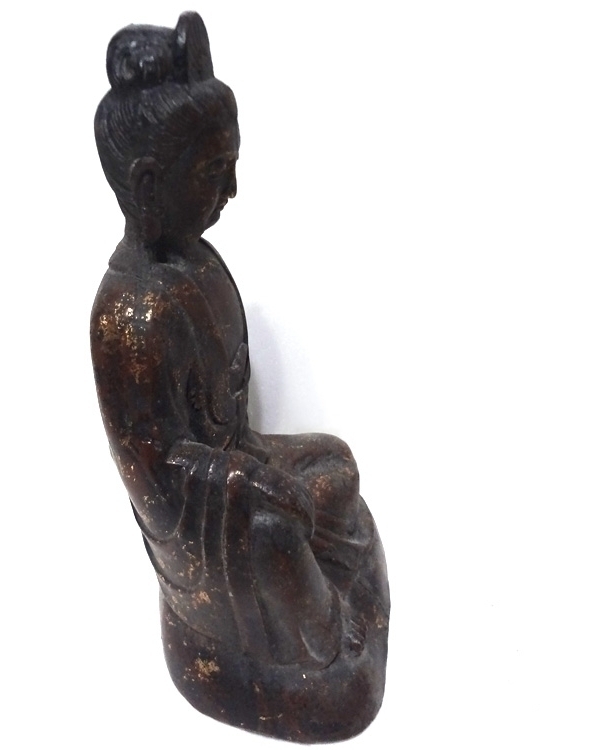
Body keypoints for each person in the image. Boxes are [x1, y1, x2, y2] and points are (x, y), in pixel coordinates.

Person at [91, 13, 388, 739]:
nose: (232, 189)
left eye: (231, 165)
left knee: (337, 463)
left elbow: (233, 422)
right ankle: (323, 649)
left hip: (241, 469)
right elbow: (154, 472)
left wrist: (260, 468)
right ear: (149, 183)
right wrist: (247, 484)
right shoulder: (128, 319)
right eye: (212, 171)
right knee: (277, 535)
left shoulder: (201, 264)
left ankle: (328, 596)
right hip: (207, 530)